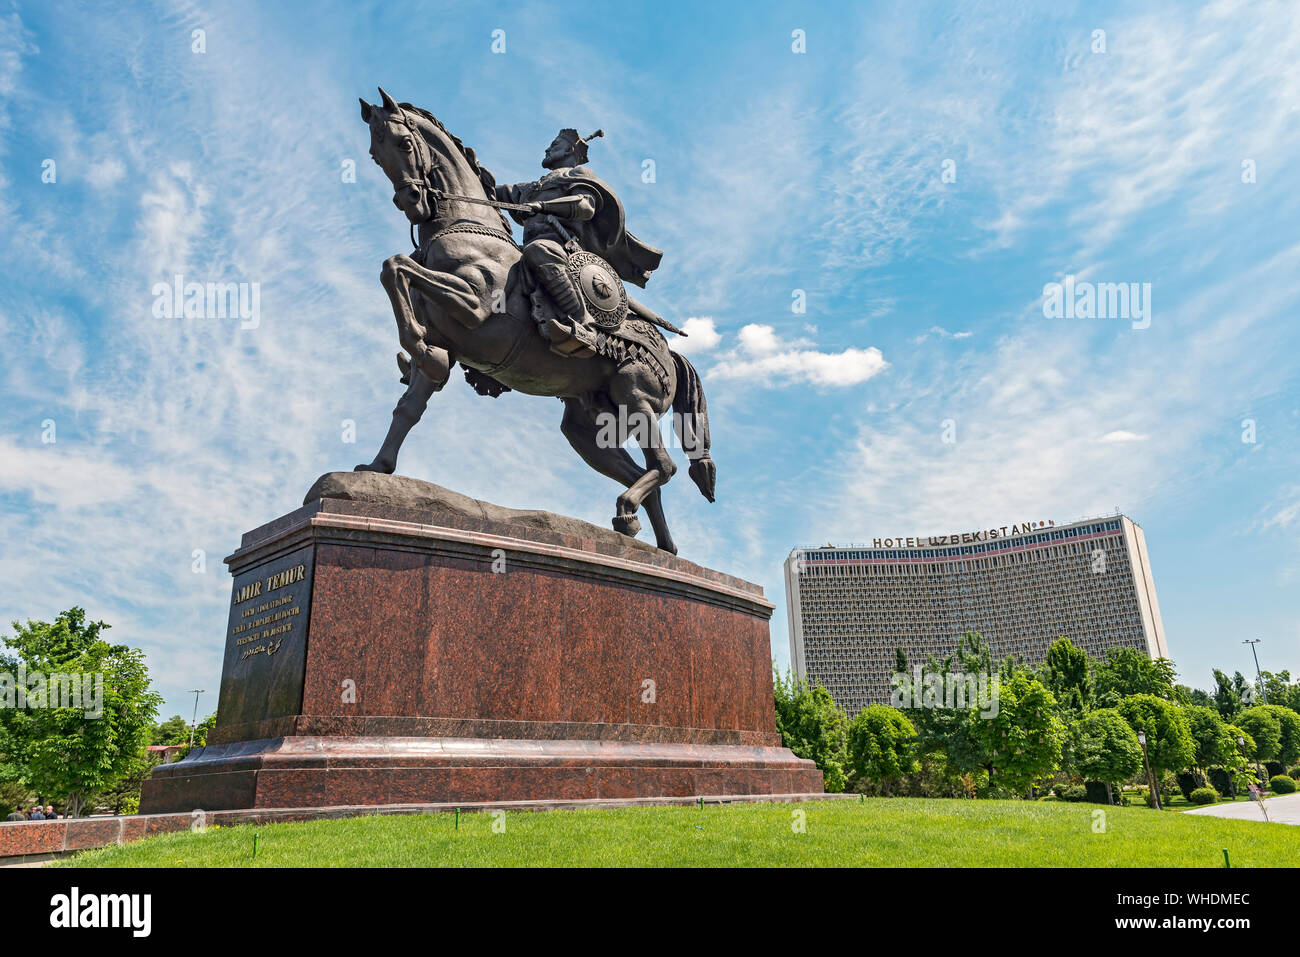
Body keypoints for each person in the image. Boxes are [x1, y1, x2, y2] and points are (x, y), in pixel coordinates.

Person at [495, 128, 663, 356]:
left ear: (569, 150)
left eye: (554, 145)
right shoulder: (531, 187)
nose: (547, 149)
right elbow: (492, 191)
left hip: (562, 249)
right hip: (532, 249)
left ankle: (583, 324)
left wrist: (545, 207)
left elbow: (586, 206)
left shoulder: (578, 174)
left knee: (539, 249)